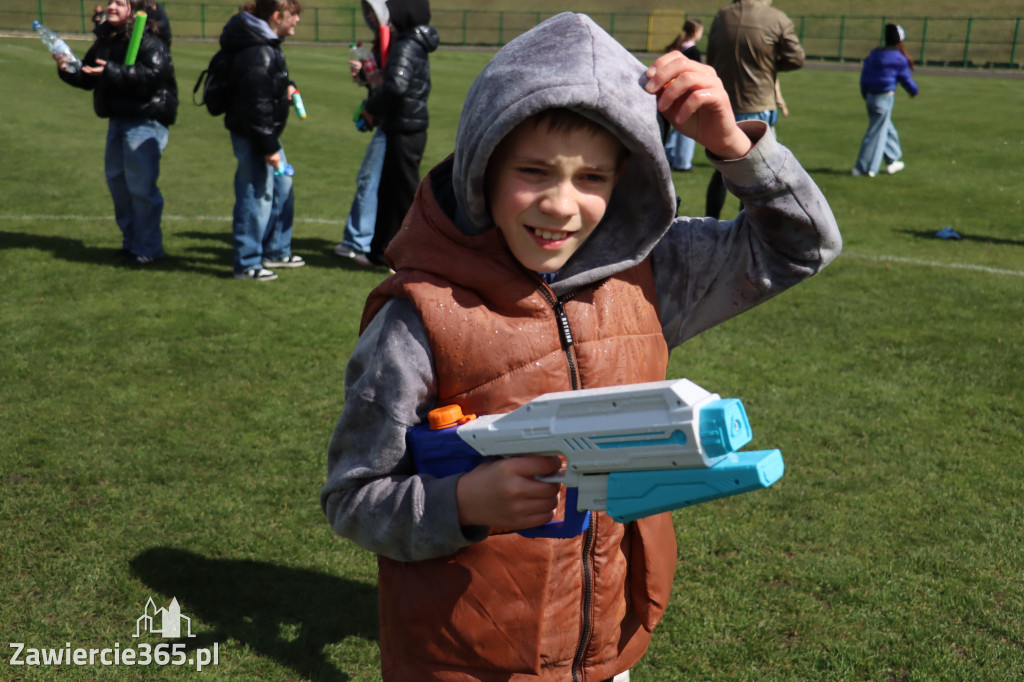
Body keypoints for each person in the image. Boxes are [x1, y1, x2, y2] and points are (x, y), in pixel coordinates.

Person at [321, 12, 841, 680]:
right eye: (534, 171)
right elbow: (353, 498)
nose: (562, 205)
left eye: (592, 178)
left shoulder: (654, 275)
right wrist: (465, 503)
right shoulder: (419, 316)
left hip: (607, 651)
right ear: (483, 166)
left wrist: (733, 144)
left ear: (624, 180)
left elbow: (803, 246)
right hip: (462, 662)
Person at [56, 0, 177, 266]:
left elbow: (154, 75)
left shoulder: (150, 40)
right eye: (111, 2)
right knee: (119, 186)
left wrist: (110, 71)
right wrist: (66, 68)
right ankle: (131, 244)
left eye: (120, 3)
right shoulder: (107, 40)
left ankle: (148, 249)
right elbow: (88, 76)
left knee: (141, 188)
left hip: (145, 122)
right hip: (118, 120)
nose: (111, 6)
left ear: (134, 11)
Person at [219, 0, 305, 281]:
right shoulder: (258, 50)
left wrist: (285, 85)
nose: (297, 21)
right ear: (277, 16)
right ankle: (247, 263)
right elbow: (255, 106)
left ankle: (276, 251)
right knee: (256, 195)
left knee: (282, 185)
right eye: (293, 16)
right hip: (255, 134)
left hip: (263, 132)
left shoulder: (264, 42)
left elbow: (263, 84)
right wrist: (269, 148)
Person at [355, 0, 438, 268]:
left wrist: (371, 109)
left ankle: (413, 258)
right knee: (388, 192)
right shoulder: (410, 42)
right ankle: (379, 253)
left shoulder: (405, 44)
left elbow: (396, 87)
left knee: (403, 195)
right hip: (401, 126)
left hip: (406, 128)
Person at [704, 0, 804, 219]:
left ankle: (710, 220)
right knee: (759, 174)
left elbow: (710, 59)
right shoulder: (776, 18)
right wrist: (769, 63)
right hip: (758, 103)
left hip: (725, 105)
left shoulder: (722, 16)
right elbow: (797, 58)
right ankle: (749, 225)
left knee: (722, 170)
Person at [333, 0, 390, 266]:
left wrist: (371, 81)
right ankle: (367, 241)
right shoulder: (385, 40)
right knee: (379, 181)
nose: (368, 15)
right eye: (366, 9)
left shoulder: (394, 40)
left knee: (369, 179)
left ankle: (359, 242)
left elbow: (393, 85)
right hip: (389, 120)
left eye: (373, 9)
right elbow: (383, 83)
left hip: (392, 122)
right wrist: (367, 77)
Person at [852, 23, 918, 178]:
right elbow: (905, 78)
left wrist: (865, 95)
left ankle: (892, 160)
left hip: (870, 97)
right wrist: (913, 91)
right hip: (884, 97)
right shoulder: (898, 58)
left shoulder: (873, 55)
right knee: (876, 133)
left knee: (885, 128)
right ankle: (863, 168)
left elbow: (864, 79)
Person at [662, 18, 703, 171]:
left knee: (677, 126)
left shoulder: (677, 49)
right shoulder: (694, 52)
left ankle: (668, 155)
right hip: (686, 94)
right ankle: (683, 162)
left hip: (672, 91)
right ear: (696, 32)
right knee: (687, 129)